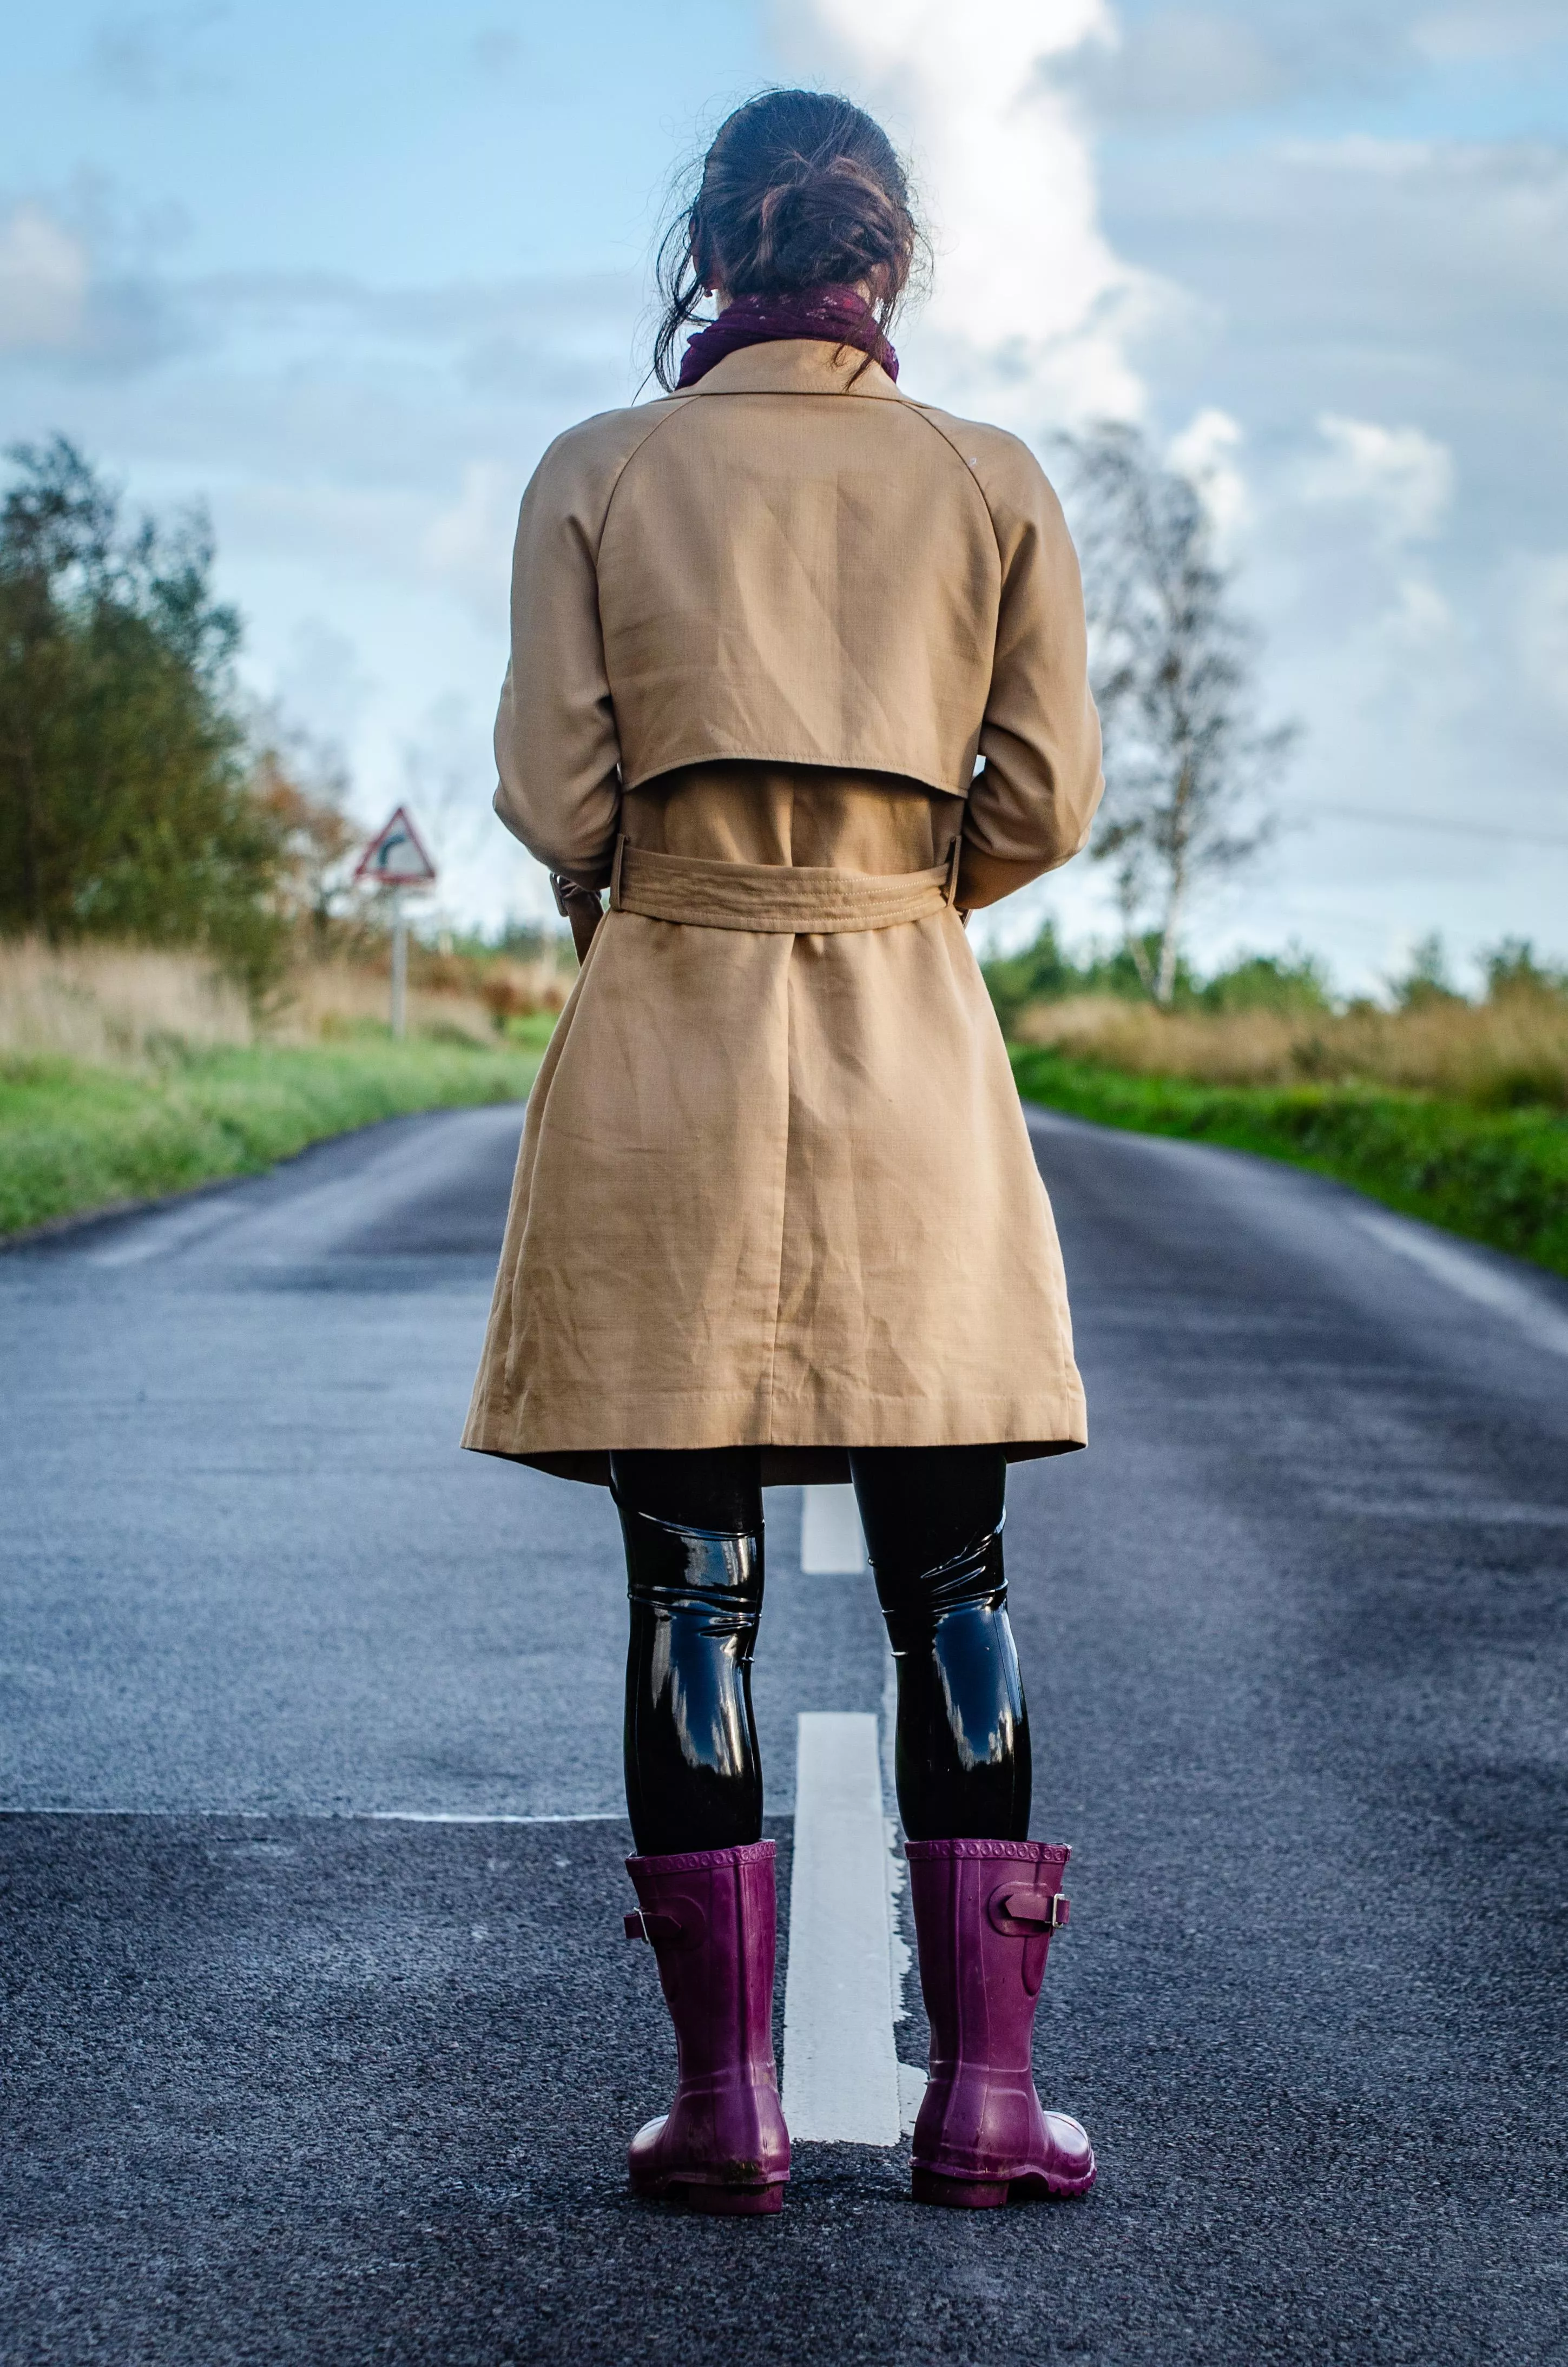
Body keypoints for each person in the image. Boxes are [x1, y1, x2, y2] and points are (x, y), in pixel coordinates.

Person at [463, 88, 1104, 2216]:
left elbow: (560, 798)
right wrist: (898, 895)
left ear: (710, 254)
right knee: (956, 1580)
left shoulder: (597, 470)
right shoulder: (990, 480)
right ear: (884, 258)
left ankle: (724, 2107)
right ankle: (987, 2105)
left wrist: (675, 881)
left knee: (690, 1585)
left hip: (670, 1044)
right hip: (909, 1047)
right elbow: (1046, 799)